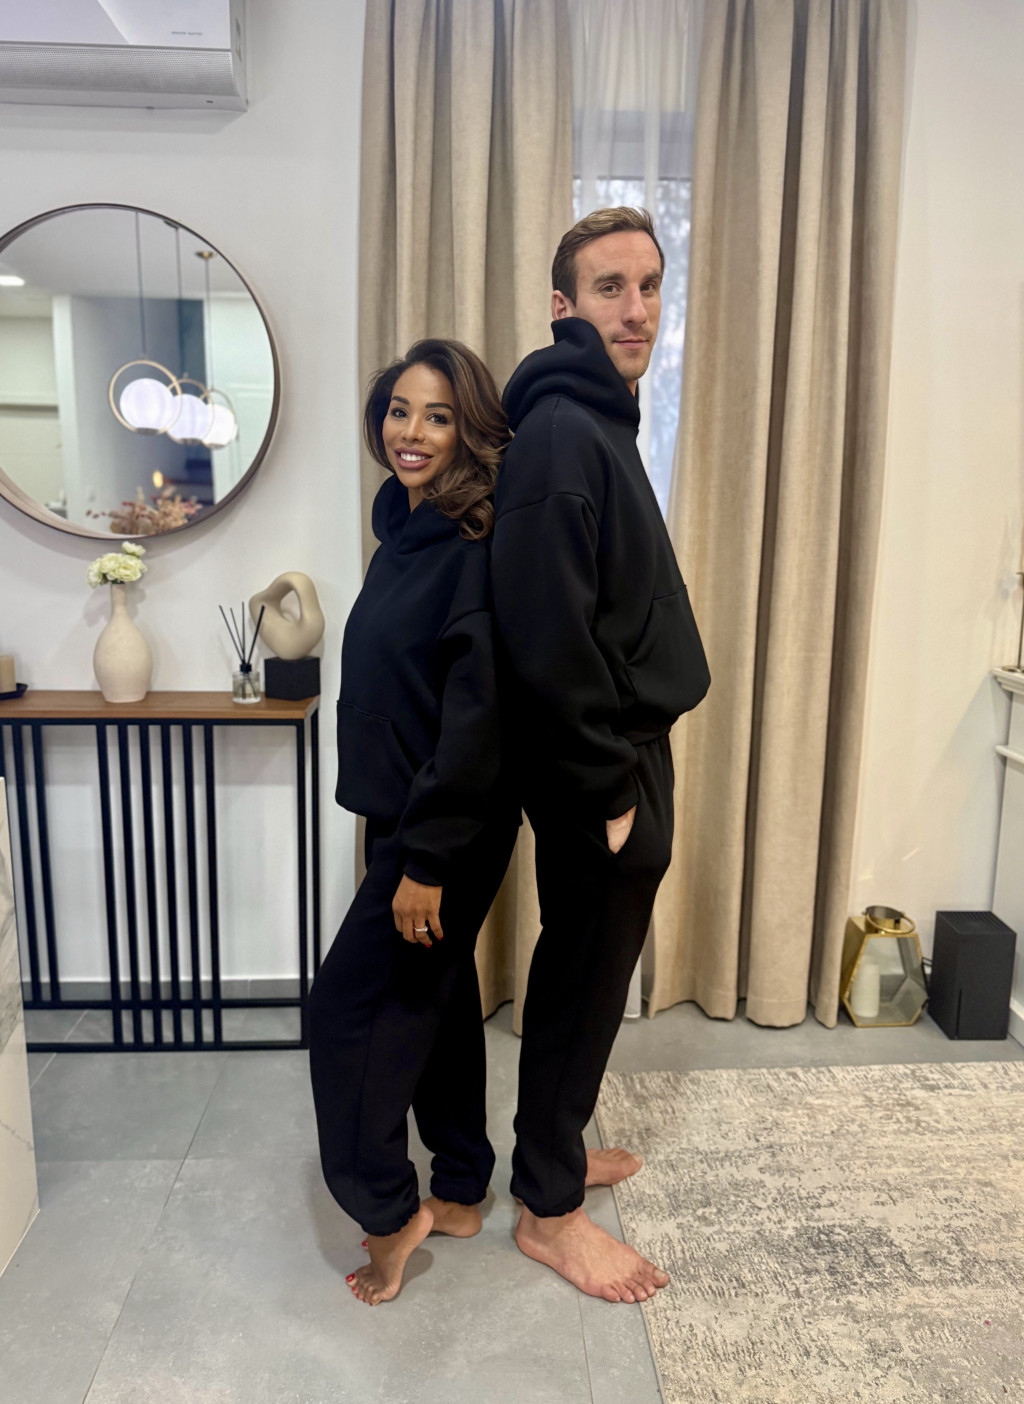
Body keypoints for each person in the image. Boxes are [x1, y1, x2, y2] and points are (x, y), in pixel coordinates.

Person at [492, 207, 711, 1304]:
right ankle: (549, 1211)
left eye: (650, 286)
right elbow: (545, 635)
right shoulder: (561, 434)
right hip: (598, 763)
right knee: (581, 978)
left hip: (622, 750)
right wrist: (609, 789)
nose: (637, 310)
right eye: (610, 287)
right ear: (562, 305)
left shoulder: (598, 420)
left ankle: (558, 1150)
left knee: (588, 972)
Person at [308, 339, 519, 1306]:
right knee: (435, 996)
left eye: (438, 416)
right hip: (401, 808)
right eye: (400, 410)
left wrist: (426, 860)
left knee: (346, 1011)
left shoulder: (472, 546)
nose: (413, 431)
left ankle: (390, 1213)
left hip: (441, 828)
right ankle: (463, 1186)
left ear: (469, 431)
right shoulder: (404, 529)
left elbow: (478, 717)